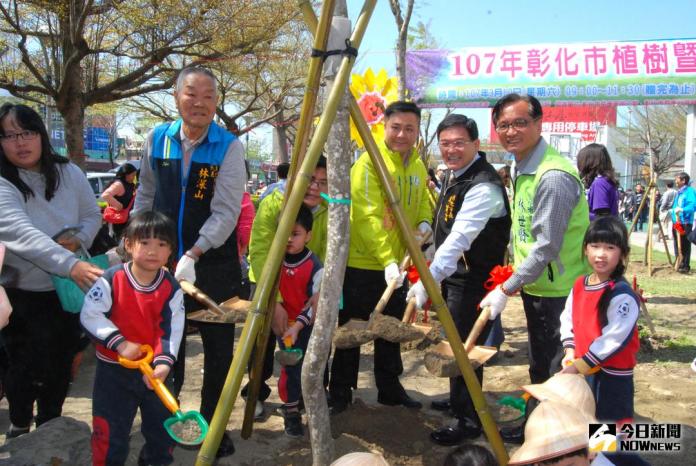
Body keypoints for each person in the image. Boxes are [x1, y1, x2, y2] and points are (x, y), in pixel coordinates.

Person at [133, 66, 246, 457]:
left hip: (213, 265)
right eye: (191, 94)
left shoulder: (228, 146)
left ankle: (215, 428)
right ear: (176, 96)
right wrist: (136, 243)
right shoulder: (158, 138)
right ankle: (167, 421)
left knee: (218, 351)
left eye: (208, 97)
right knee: (167, 346)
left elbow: (227, 211)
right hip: (161, 264)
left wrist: (194, 252)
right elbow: (145, 196)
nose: (199, 103)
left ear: (217, 103)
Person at [480, 93, 590, 444]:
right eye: (503, 125)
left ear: (539, 123)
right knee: (541, 364)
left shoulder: (553, 175)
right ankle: (538, 429)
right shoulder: (523, 166)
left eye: (519, 123)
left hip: (561, 292)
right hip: (541, 286)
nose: (511, 131)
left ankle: (568, 442)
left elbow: (546, 245)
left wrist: (506, 287)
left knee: (563, 372)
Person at [405, 114, 510, 445]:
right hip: (456, 275)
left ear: (476, 145)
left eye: (459, 143)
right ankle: (458, 398)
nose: (451, 150)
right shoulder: (455, 176)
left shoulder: (484, 186)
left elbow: (459, 238)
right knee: (454, 341)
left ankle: (468, 419)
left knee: (464, 347)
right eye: (445, 144)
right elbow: (443, 230)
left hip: (474, 279)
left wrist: (428, 279)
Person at [0, 103, 103, 438]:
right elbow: (19, 233)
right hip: (19, 292)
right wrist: (70, 264)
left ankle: (50, 426)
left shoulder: (69, 172)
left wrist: (77, 240)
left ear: (41, 135)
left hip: (65, 294)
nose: (20, 142)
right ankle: (19, 422)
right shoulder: (3, 182)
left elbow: (92, 215)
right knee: (19, 366)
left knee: (59, 363)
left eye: (27, 132)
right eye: (9, 136)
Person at [329, 101, 432, 413]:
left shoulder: (416, 164)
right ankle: (341, 394)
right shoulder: (368, 164)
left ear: (417, 132)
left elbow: (423, 202)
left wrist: (424, 223)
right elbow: (367, 216)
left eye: (409, 129)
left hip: (398, 267)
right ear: (384, 127)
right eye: (396, 127)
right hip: (363, 265)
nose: (402, 134)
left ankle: (389, 387)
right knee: (352, 332)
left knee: (391, 332)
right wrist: (387, 260)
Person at [80, 211, 185, 466]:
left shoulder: (170, 287)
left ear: (171, 250)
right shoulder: (112, 279)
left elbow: (172, 328)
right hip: (113, 372)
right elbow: (91, 314)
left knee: (162, 430)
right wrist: (120, 343)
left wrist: (163, 363)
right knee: (110, 431)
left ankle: (154, 461)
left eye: (162, 244)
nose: (153, 250)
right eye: (145, 242)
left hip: (154, 372)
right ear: (128, 244)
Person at [241, 157, 328, 418]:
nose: (315, 188)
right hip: (270, 279)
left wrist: (320, 290)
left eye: (323, 183)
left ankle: (308, 394)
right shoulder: (274, 204)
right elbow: (260, 251)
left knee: (311, 339)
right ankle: (255, 392)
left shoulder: (332, 207)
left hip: (308, 281)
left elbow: (331, 251)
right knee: (262, 342)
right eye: (311, 180)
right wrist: (274, 299)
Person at [559, 216, 639, 427]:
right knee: (588, 422)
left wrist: (579, 365)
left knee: (611, 435)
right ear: (586, 249)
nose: (601, 254)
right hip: (584, 369)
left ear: (622, 253)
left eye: (610, 247)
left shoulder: (622, 295)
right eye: (595, 246)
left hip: (612, 375)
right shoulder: (579, 285)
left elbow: (613, 339)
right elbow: (568, 318)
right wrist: (569, 351)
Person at [272, 204, 323, 438]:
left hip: (307, 326)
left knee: (311, 368)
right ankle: (291, 412)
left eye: (296, 234)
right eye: (285, 233)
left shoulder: (315, 265)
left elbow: (314, 304)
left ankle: (310, 406)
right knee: (290, 369)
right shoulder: (274, 261)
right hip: (283, 327)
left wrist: (298, 326)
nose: (289, 239)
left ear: (308, 235)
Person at [576, 144, 619, 220]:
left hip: (601, 230)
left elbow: (602, 218)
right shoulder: (606, 181)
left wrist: (578, 215)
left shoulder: (599, 184)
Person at [101, 162, 138, 239]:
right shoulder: (119, 184)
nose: (134, 177)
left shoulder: (129, 184)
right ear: (126, 175)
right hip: (118, 220)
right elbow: (105, 195)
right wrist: (119, 206)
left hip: (125, 219)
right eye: (133, 175)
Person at [671, 172, 696, 273]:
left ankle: (685, 265)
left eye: (677, 179)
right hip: (676, 222)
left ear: (683, 180)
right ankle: (679, 261)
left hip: (685, 223)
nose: (675, 181)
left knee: (685, 244)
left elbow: (693, 205)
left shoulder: (689, 191)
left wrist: (682, 209)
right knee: (677, 243)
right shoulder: (679, 192)